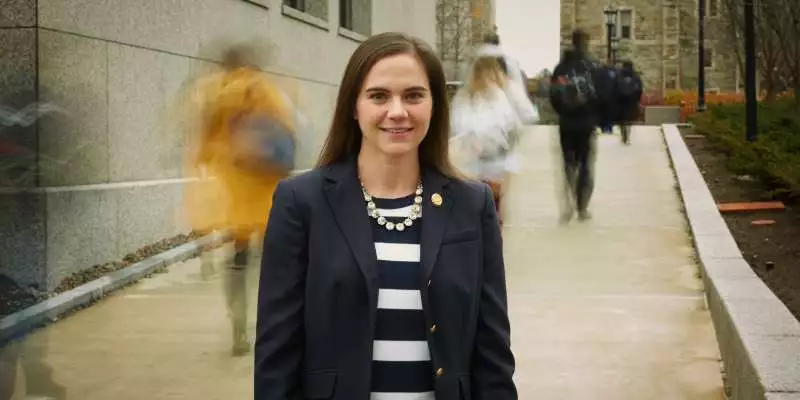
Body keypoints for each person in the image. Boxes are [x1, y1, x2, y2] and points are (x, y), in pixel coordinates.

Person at [254, 32, 517, 400]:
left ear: (434, 105)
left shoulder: (473, 205)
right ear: (354, 106)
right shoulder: (301, 203)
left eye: (413, 95)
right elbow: (276, 355)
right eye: (379, 96)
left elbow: (493, 353)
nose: (398, 111)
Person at [181, 44, 297, 355]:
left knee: (239, 260)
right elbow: (288, 137)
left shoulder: (217, 96)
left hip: (235, 193)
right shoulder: (267, 91)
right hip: (269, 192)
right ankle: (276, 325)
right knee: (277, 262)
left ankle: (238, 329)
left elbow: (205, 147)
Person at [450, 56, 521, 224]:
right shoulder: (498, 96)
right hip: (489, 159)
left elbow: (457, 126)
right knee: (491, 207)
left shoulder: (466, 98)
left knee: (480, 207)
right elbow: (512, 127)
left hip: (478, 161)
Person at [549, 29, 602, 223]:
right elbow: (601, 94)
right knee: (586, 165)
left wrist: (564, 111)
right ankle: (582, 206)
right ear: (585, 42)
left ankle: (570, 203)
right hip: (586, 123)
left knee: (569, 164)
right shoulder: (592, 67)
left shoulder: (562, 68)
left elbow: (554, 95)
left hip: (568, 124)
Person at [614, 60, 644, 144]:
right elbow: (640, 89)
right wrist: (637, 99)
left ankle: (623, 133)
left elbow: (614, 87)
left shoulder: (618, 75)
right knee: (629, 119)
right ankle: (627, 134)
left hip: (621, 100)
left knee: (621, 118)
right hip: (632, 100)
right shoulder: (635, 76)